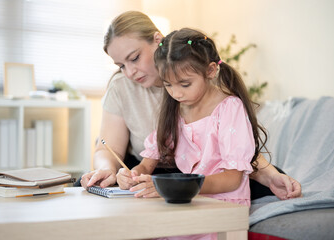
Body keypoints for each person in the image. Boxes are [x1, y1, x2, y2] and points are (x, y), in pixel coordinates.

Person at [80, 10, 302, 200]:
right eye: (120, 65)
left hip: (203, 173)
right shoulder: (123, 88)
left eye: (135, 58)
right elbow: (109, 149)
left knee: (261, 179)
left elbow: (235, 150)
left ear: (158, 40)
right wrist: (109, 170)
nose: (129, 72)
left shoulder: (205, 84)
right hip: (153, 170)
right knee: (86, 189)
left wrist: (271, 175)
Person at [117, 26, 262, 240]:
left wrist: (178, 187)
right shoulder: (176, 110)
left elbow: (232, 179)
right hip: (188, 200)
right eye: (168, 85)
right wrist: (133, 175)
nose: (176, 93)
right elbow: (147, 164)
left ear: (211, 71)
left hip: (223, 207)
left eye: (185, 84)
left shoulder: (229, 108)